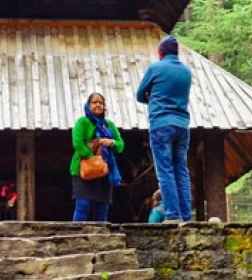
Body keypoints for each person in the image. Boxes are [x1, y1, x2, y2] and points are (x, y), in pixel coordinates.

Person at [136, 34, 193, 223]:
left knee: (165, 171)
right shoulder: (186, 72)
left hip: (161, 124)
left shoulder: (155, 68)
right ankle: (186, 215)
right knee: (181, 171)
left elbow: (139, 95)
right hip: (182, 125)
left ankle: (173, 215)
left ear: (160, 52)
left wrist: (151, 96)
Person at [69, 92, 124, 223]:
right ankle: (77, 237)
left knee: (102, 209)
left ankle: (101, 240)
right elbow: (77, 142)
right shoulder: (83, 122)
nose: (98, 105)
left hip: (104, 171)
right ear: (88, 105)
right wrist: (92, 159)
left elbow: (121, 145)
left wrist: (112, 142)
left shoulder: (109, 125)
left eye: (101, 103)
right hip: (84, 170)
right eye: (94, 102)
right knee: (83, 206)